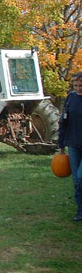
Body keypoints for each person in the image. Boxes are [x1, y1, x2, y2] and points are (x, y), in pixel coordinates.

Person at [58, 71, 82, 222]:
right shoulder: (70, 99)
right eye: (76, 86)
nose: (79, 88)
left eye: (81, 86)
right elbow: (63, 122)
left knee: (81, 177)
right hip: (73, 144)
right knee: (76, 181)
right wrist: (61, 144)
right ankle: (80, 211)